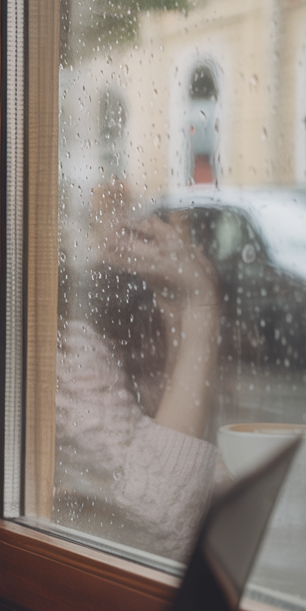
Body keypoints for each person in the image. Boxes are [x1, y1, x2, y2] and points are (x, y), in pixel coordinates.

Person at [54, 181, 226, 559]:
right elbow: (159, 516)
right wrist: (200, 307)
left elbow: (161, 442)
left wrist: (173, 305)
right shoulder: (57, 355)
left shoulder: (73, 338)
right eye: (105, 206)